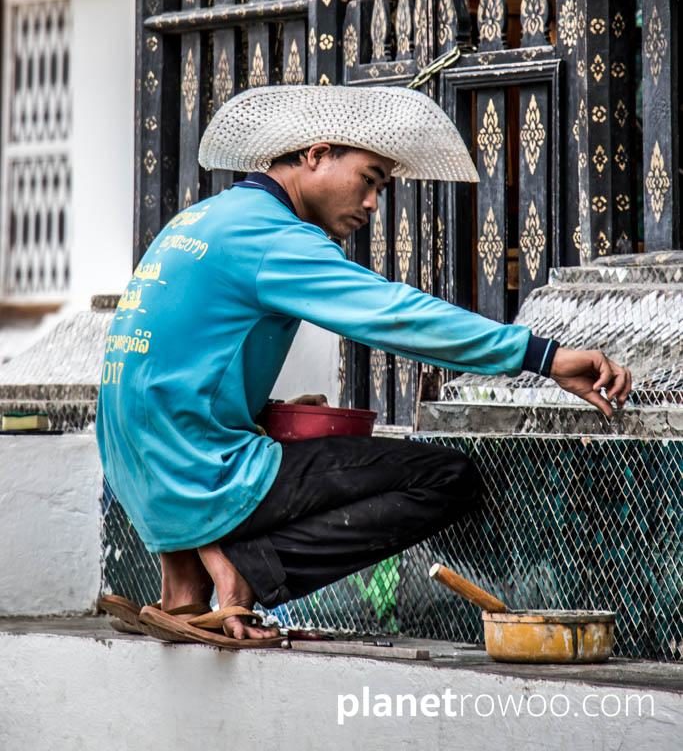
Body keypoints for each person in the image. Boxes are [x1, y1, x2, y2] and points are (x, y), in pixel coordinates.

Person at [96, 84, 631, 648]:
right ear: (317, 154)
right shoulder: (273, 235)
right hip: (200, 470)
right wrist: (542, 356)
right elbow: (394, 316)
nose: (373, 204)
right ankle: (244, 571)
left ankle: (184, 596)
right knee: (446, 478)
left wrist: (257, 412)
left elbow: (168, 365)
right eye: (369, 180)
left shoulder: (200, 219)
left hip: (140, 472)